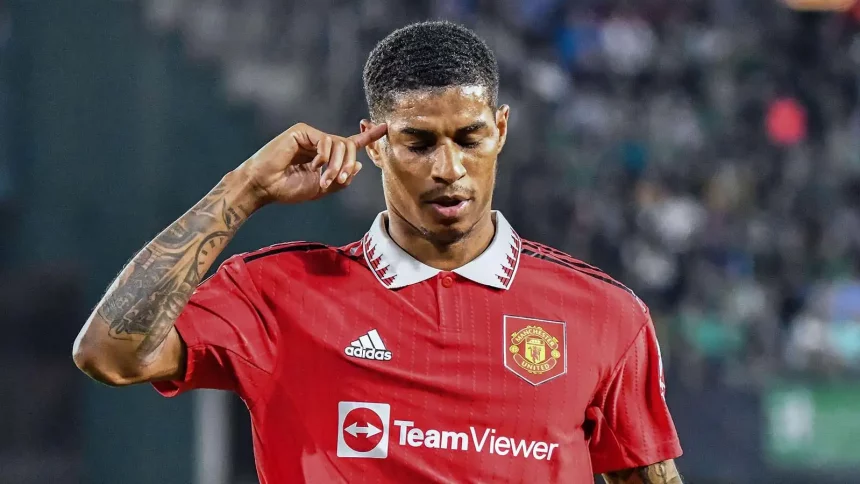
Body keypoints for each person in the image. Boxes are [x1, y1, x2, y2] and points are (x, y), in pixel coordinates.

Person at [73, 21, 683, 484]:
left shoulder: (604, 315)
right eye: (419, 142)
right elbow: (110, 353)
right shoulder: (277, 293)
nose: (449, 168)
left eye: (469, 138)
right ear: (375, 144)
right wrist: (245, 188)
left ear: (500, 130)